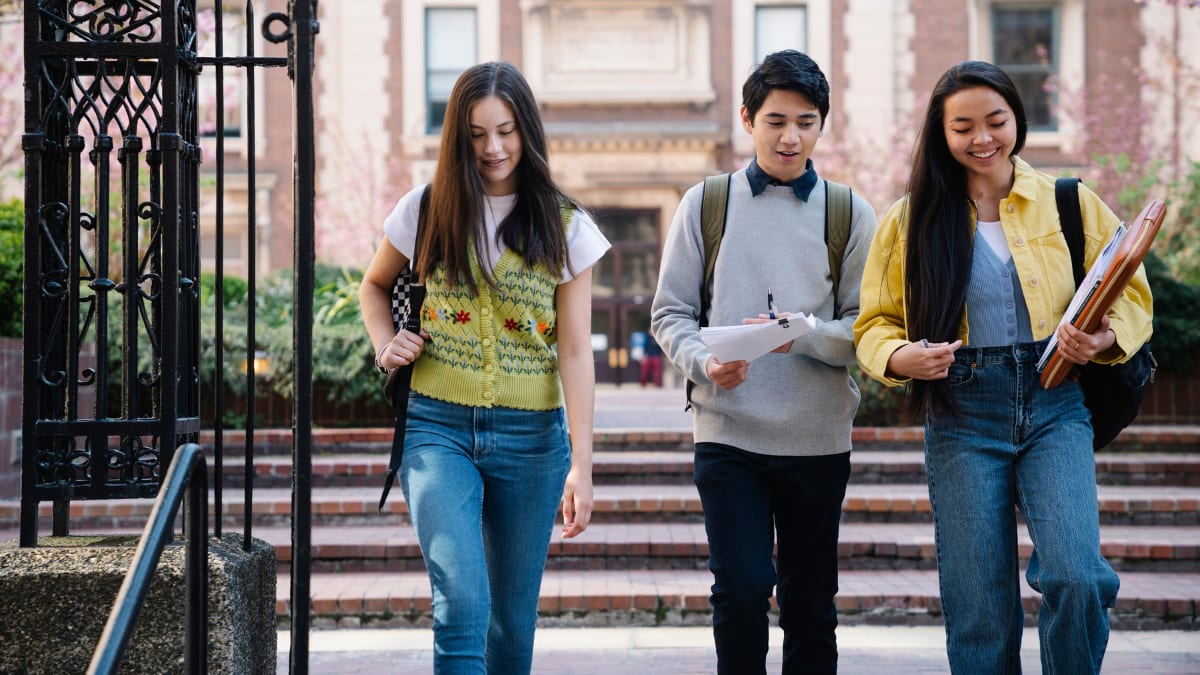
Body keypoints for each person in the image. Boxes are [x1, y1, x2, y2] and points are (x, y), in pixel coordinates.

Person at [853, 61, 1152, 673]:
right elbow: (874, 324)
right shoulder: (910, 220)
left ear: (1018, 117)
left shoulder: (1069, 201)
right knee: (980, 610)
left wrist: (1101, 339)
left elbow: (1133, 294)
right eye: (962, 126)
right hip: (961, 411)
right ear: (942, 133)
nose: (982, 137)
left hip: (1055, 403)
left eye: (996, 120)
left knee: (1076, 575)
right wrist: (900, 356)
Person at [359, 61, 610, 674]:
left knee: (511, 623)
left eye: (506, 130)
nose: (493, 148)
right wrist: (384, 343)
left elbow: (576, 351)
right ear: (457, 136)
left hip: (532, 441)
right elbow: (373, 286)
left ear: (526, 130)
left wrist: (584, 461)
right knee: (463, 604)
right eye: (476, 133)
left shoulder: (565, 225)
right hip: (437, 429)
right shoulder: (425, 209)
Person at [651, 50, 876, 674]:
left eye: (806, 121)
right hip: (729, 433)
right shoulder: (706, 204)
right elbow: (669, 314)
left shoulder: (848, 211)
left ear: (821, 125)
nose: (790, 135)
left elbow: (869, 328)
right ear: (748, 119)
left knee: (810, 604)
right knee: (743, 589)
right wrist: (704, 362)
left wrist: (797, 336)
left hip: (818, 438)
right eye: (775, 120)